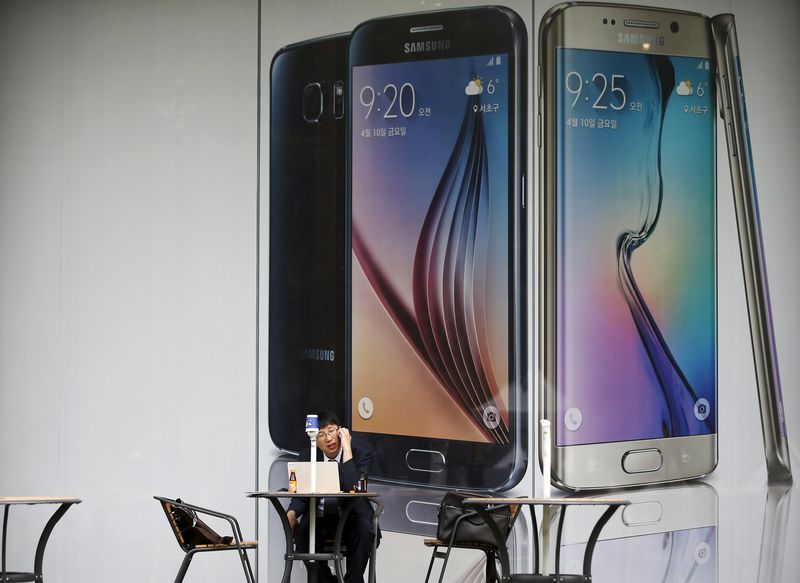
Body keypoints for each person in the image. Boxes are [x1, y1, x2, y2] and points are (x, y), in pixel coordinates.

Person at [286, 411, 379, 583]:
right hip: (320, 518)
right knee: (304, 536)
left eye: (331, 431)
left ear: (341, 431)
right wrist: (291, 513)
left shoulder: (362, 453)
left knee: (364, 529)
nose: (328, 438)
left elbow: (354, 489)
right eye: (321, 434)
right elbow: (302, 493)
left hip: (353, 516)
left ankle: (353, 580)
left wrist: (347, 450)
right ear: (314, 439)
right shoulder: (308, 456)